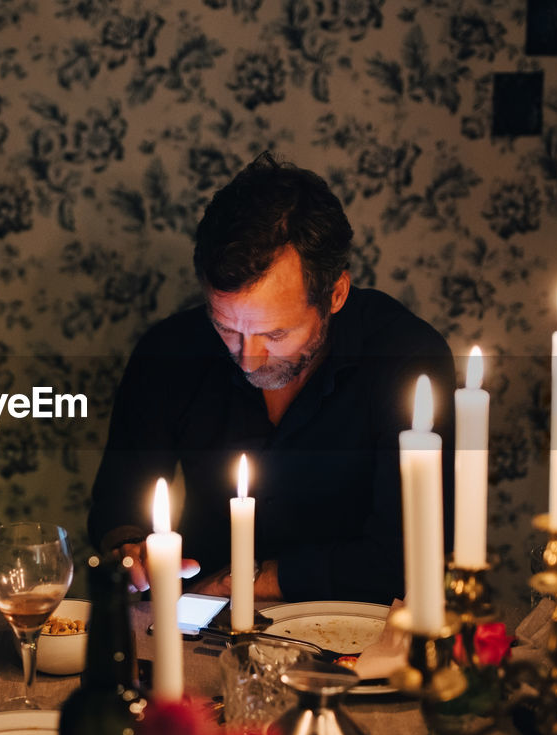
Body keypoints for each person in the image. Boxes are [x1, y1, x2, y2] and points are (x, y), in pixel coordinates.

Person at [88, 153, 456, 605]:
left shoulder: (405, 360)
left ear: (335, 294)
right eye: (227, 328)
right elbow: (117, 502)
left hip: (358, 634)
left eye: (275, 333)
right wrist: (133, 551)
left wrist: (246, 580)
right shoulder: (170, 350)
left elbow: (407, 557)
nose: (248, 359)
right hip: (203, 625)